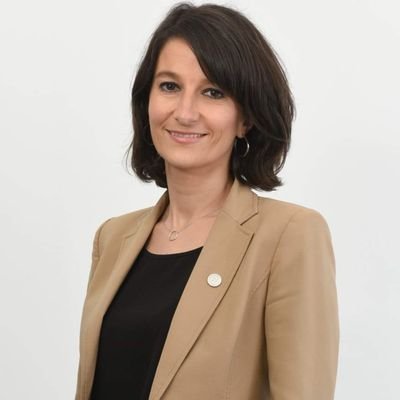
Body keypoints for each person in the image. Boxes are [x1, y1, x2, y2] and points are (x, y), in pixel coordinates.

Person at [75, 3, 339, 400]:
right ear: (146, 101)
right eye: (169, 86)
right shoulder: (112, 239)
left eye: (213, 92)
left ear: (245, 117)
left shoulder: (289, 236)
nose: (185, 112)